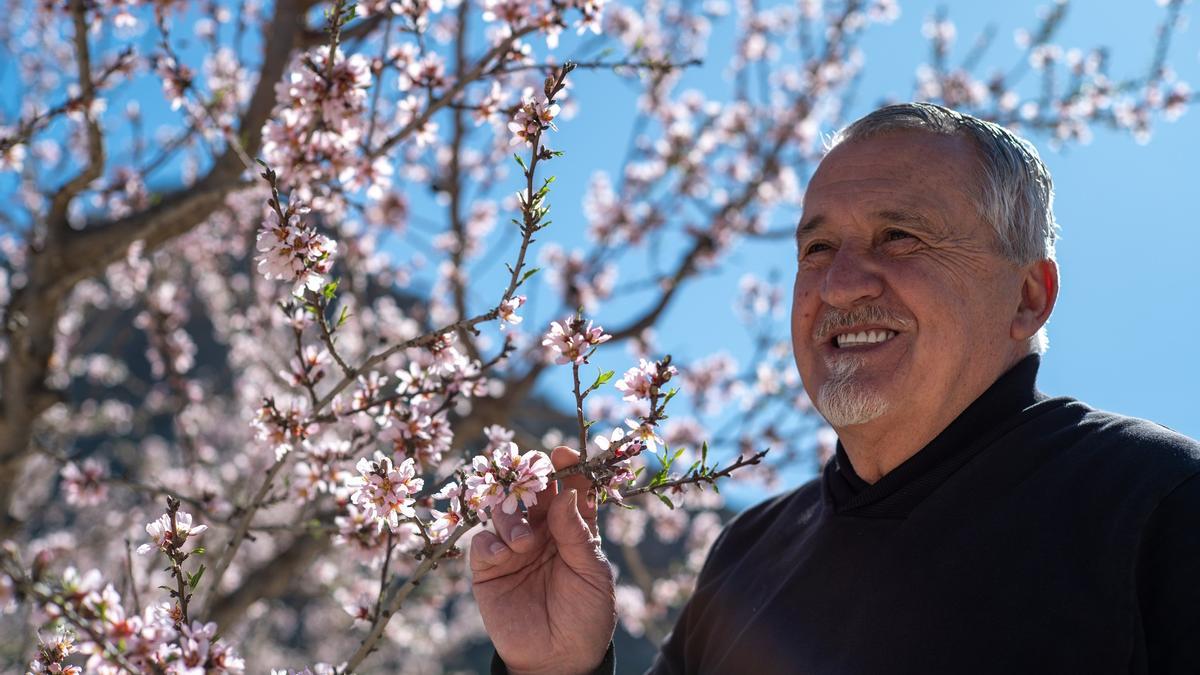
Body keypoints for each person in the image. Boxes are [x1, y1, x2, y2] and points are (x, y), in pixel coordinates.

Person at [469, 103, 1200, 674]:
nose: (840, 283)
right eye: (817, 247)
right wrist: (553, 666)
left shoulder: (1157, 505)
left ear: (1028, 297)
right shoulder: (748, 557)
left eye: (901, 237)